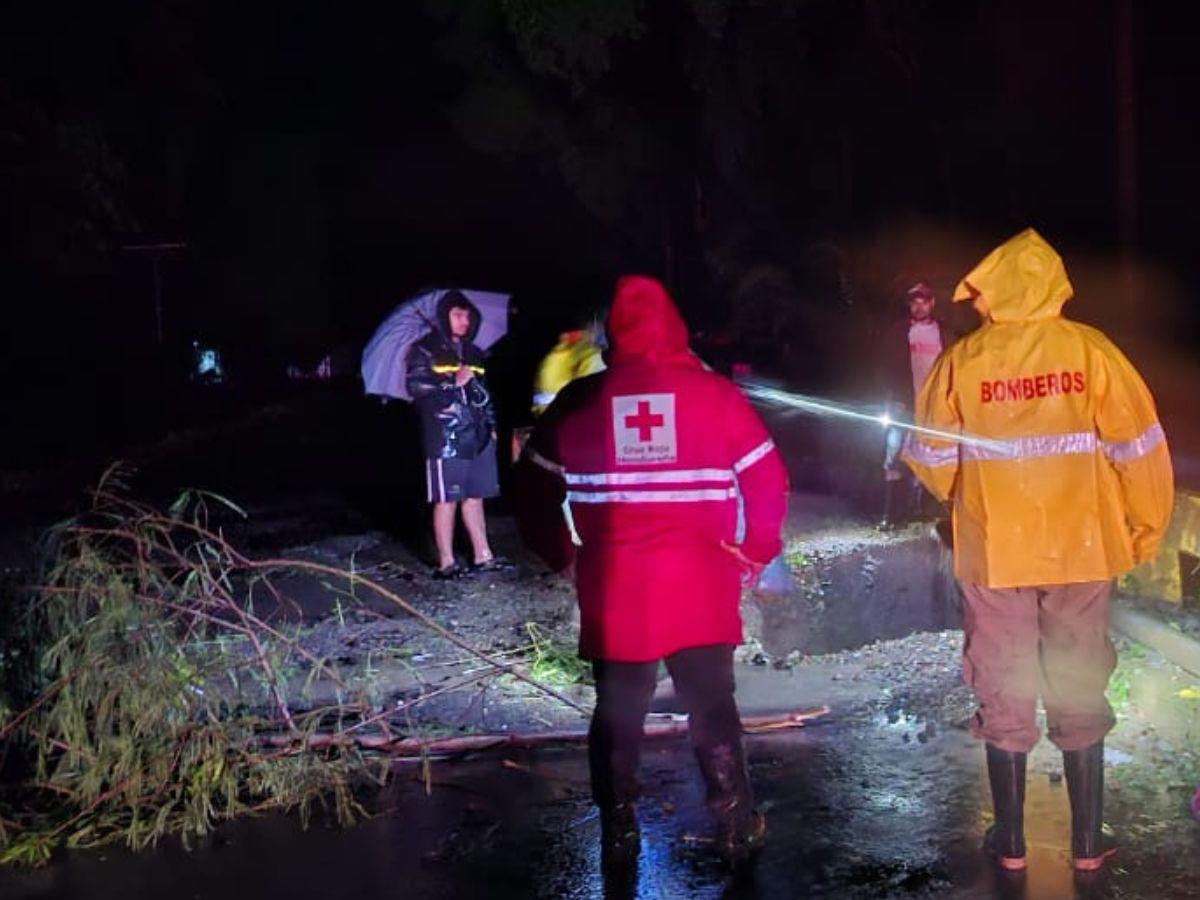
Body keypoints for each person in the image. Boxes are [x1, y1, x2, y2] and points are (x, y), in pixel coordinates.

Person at [903, 229, 1174, 872]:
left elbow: (931, 456)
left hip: (995, 550)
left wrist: (966, 500)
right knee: (1078, 669)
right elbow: (1140, 447)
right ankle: (1085, 842)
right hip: (1080, 545)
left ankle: (1012, 840)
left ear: (990, 289)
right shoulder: (1091, 351)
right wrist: (1144, 528)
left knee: (1002, 675)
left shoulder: (964, 361)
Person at [515, 275, 789, 865]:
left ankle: (618, 830)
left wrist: (561, 553)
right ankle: (736, 825)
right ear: (675, 327)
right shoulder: (715, 395)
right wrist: (758, 548)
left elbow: (529, 492)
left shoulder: (579, 402)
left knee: (616, 711)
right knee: (713, 706)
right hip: (700, 589)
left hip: (618, 592)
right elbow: (767, 476)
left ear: (611, 334)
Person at [406, 290, 512, 579]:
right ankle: (447, 562)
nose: (464, 321)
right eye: (457, 315)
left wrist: (492, 428)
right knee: (446, 499)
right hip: (446, 438)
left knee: (476, 497)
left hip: (478, 437)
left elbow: (485, 394)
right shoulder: (424, 350)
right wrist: (453, 381)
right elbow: (418, 389)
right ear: (444, 317)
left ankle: (483, 555)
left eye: (467, 315)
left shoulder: (474, 352)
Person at [877, 280, 953, 528]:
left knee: (928, 455)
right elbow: (886, 366)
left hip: (934, 406)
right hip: (904, 404)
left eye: (924, 302)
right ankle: (890, 514)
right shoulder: (898, 332)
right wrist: (890, 397)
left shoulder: (945, 333)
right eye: (914, 303)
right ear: (910, 305)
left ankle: (918, 508)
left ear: (932, 304)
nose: (919, 307)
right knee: (894, 453)